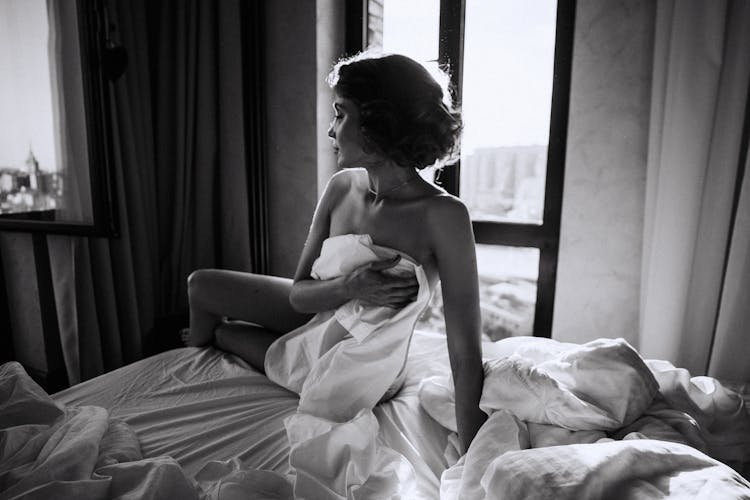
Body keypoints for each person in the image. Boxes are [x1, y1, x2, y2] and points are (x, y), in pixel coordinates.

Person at [183, 52, 486, 452]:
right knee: (200, 285)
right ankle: (195, 348)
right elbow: (298, 293)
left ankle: (205, 344)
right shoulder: (342, 187)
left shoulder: (444, 215)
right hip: (317, 312)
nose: (331, 130)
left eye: (341, 115)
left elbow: (465, 354)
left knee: (226, 333)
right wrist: (351, 286)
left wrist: (475, 460)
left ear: (379, 124)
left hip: (360, 362)